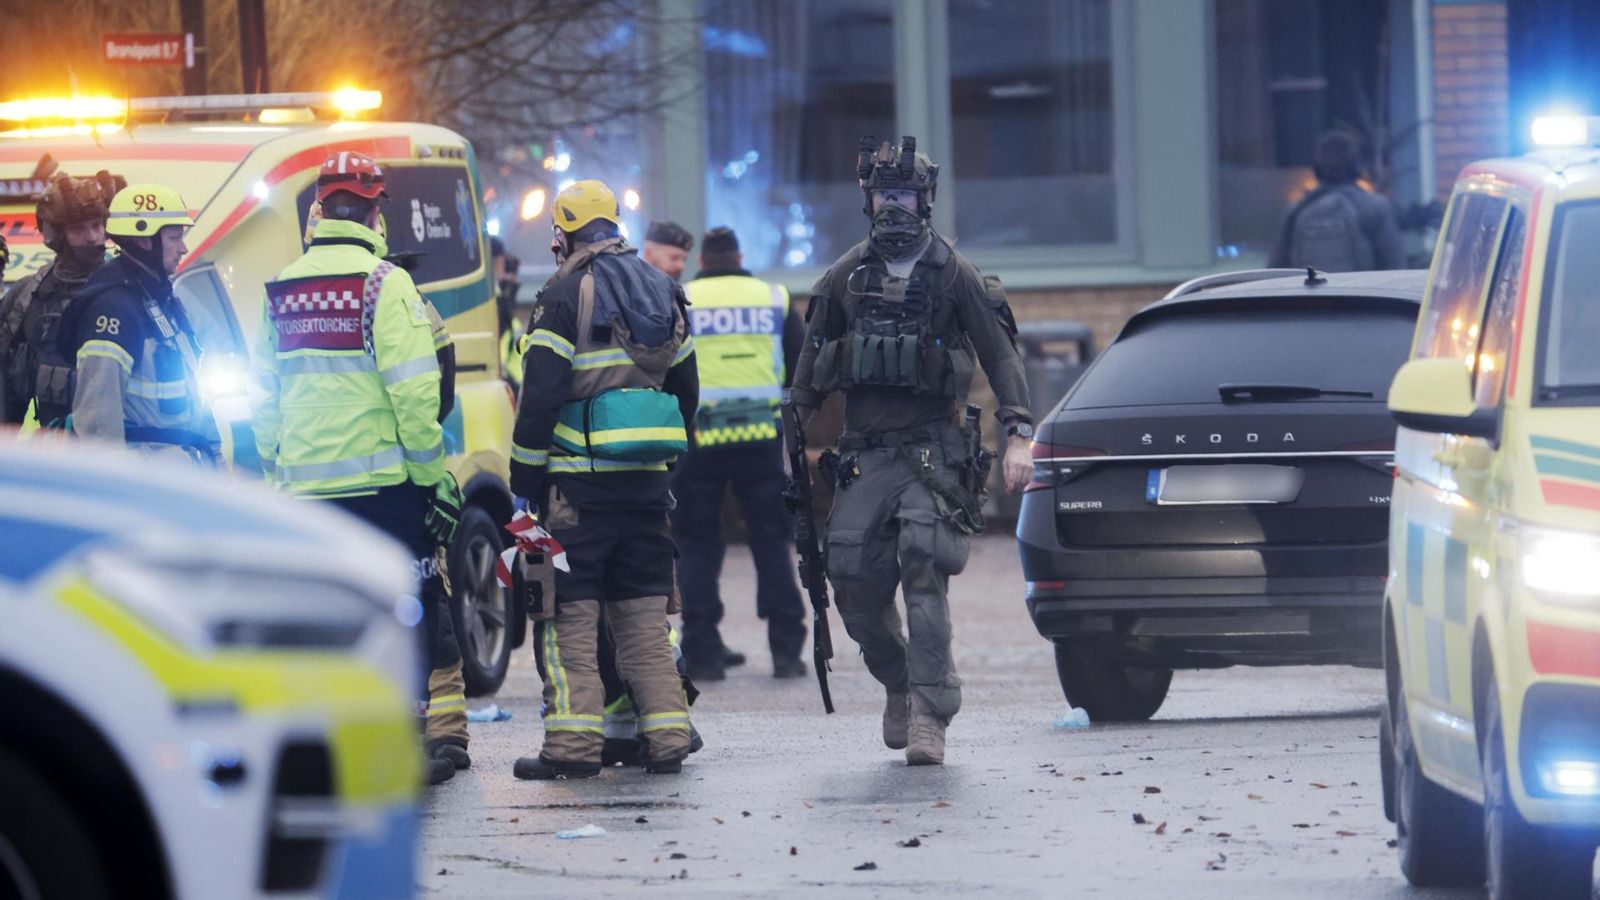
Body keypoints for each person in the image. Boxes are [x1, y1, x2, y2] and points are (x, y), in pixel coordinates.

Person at [791, 136, 1032, 766]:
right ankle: (898, 682)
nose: (892, 208)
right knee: (851, 585)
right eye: (882, 196)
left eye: (903, 195)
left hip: (932, 450)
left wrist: (1019, 435)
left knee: (924, 571)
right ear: (867, 201)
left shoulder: (956, 275)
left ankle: (930, 711)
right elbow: (811, 370)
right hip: (865, 452)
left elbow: (1002, 358)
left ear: (925, 200)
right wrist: (789, 437)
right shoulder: (845, 276)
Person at [249, 152, 468, 786]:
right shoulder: (384, 284)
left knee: (326, 619)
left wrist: (277, 468)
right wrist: (434, 480)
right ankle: (401, 743)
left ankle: (333, 746)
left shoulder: (283, 288)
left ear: (318, 211)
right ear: (375, 213)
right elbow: (413, 394)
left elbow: (264, 397)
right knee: (410, 610)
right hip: (385, 492)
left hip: (306, 493)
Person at [509, 179, 698, 779]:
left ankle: (571, 750)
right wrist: (663, 464)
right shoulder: (664, 288)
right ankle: (668, 741)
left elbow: (539, 396)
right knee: (644, 621)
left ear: (563, 234)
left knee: (568, 624)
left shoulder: (563, 293)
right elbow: (687, 391)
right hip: (645, 487)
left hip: (575, 493)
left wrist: (525, 478)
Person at [671, 225, 807, 682]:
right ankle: (787, 650)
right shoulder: (773, 297)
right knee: (771, 541)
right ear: (741, 256)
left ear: (703, 261)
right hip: (760, 436)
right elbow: (799, 365)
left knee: (697, 545)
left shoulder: (681, 297)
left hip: (698, 439)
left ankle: (703, 651)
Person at [64, 183, 215, 461]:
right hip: (148, 481)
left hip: (182, 473)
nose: (183, 248)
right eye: (173, 238)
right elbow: (97, 424)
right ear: (145, 240)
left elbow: (194, 395)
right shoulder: (113, 310)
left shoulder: (160, 299)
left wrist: (216, 460)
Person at [0, 171, 122, 427]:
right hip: (56, 454)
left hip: (122, 451)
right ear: (56, 236)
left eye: (97, 225)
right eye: (78, 229)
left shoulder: (130, 289)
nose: (92, 237)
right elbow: (6, 389)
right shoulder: (26, 298)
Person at [1269, 130, 1405, 272]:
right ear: (1356, 166)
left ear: (1317, 169)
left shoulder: (1296, 211)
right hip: (1360, 293)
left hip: (1310, 294)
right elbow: (1395, 267)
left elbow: (1275, 271)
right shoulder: (1375, 207)